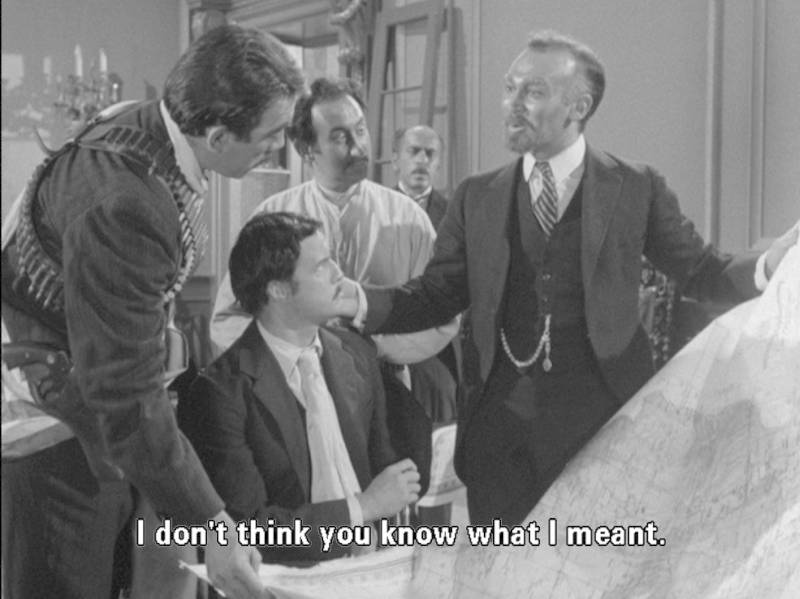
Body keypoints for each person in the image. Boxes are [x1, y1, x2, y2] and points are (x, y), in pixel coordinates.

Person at [337, 30, 797, 526]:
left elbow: (702, 270)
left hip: (607, 431)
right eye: (509, 88)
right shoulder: (476, 196)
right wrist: (356, 300)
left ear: (579, 106)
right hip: (500, 443)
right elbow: (434, 295)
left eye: (533, 91)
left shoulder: (635, 186)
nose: (512, 103)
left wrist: (770, 266)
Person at [1, 25, 304, 599]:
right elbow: (122, 392)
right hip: (57, 441)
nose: (279, 145)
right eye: (272, 134)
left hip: (94, 417)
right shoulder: (126, 204)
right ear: (217, 136)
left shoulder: (146, 126)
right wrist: (214, 526)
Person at [211, 78, 460, 485]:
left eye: (361, 130)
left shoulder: (409, 220)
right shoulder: (272, 218)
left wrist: (371, 349)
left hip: (387, 399)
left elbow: (443, 317)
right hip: (292, 403)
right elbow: (228, 318)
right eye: (340, 137)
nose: (359, 147)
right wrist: (291, 354)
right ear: (306, 149)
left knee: (390, 509)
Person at [179, 212, 420, 563]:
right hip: (286, 579)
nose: (339, 274)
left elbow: (390, 478)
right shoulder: (218, 392)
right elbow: (250, 529)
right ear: (277, 289)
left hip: (372, 570)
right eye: (321, 267)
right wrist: (362, 508)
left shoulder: (357, 353)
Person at [391, 125, 449, 230]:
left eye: (430, 153)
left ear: (439, 165)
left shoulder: (452, 214)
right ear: (395, 160)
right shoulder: (377, 209)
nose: (422, 160)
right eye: (413, 151)